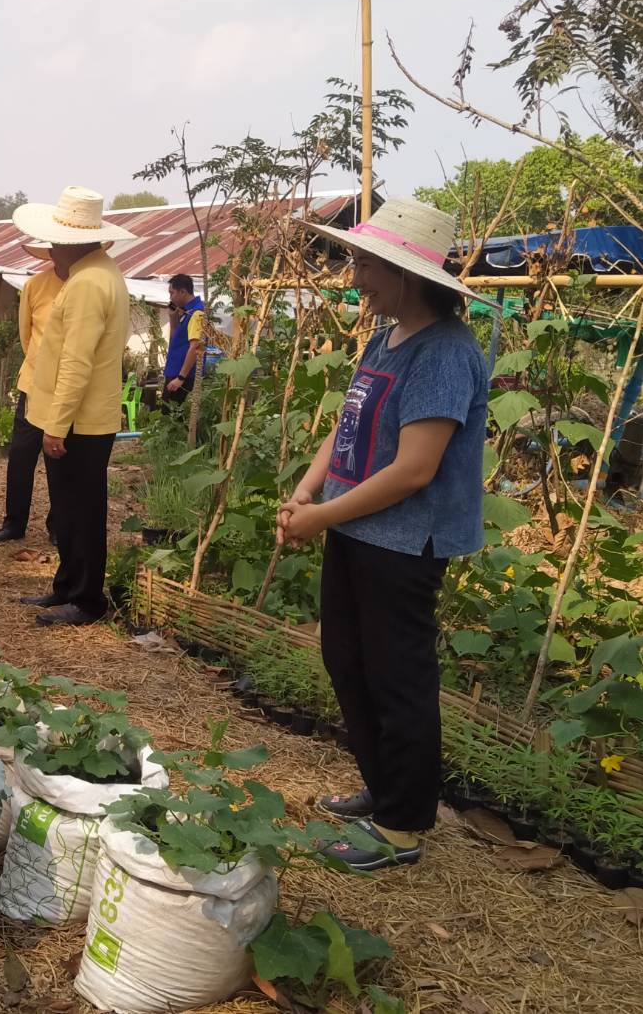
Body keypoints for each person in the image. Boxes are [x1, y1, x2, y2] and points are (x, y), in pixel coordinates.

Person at [277, 197, 491, 871]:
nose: (354, 277)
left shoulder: (444, 353)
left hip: (402, 541)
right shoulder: (385, 336)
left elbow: (413, 471)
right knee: (347, 661)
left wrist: (319, 517)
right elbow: (347, 426)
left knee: (397, 678)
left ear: (405, 274)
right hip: (355, 525)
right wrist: (308, 490)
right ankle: (383, 788)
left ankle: (402, 827)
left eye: (364, 264)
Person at [12, 187, 135, 626]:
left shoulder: (87, 283)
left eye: (54, 242)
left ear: (70, 242)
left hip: (78, 422)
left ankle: (85, 600)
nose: (50, 252)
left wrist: (57, 425)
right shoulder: (100, 273)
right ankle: (68, 587)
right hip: (80, 419)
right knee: (69, 508)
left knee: (81, 511)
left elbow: (76, 362)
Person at [0, 241, 64, 543]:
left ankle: (57, 525)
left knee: (58, 459)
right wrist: (42, 370)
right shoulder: (35, 285)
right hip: (33, 386)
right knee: (20, 456)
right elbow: (26, 334)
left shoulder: (84, 285)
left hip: (68, 391)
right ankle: (14, 522)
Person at [162, 273, 206, 401]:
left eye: (172, 293)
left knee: (174, 418)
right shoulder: (186, 312)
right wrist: (173, 318)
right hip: (174, 373)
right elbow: (174, 340)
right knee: (166, 415)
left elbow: (195, 347)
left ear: (183, 292)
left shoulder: (196, 313)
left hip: (183, 378)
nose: (170, 297)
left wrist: (181, 378)